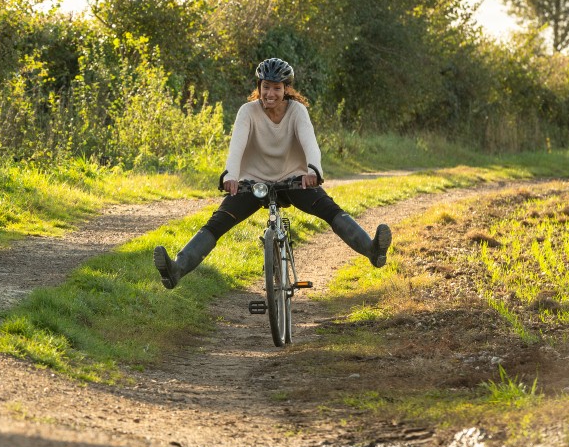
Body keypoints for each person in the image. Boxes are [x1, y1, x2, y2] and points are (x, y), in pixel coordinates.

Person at [153, 58, 391, 289]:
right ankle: (176, 270)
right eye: (265, 87)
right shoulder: (247, 112)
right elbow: (236, 148)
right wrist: (230, 177)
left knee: (330, 210)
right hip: (253, 184)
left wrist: (313, 171)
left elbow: (310, 144)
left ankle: (372, 250)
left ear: (286, 89)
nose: (270, 93)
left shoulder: (297, 111)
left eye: (276, 88)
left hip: (294, 181)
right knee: (218, 222)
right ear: (259, 87)